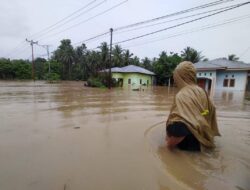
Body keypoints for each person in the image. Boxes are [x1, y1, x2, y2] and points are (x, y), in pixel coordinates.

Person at [166, 61, 220, 151]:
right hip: (204, 140)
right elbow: (210, 111)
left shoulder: (182, 95)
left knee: (173, 122)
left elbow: (179, 127)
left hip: (188, 146)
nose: (175, 81)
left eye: (175, 77)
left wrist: (168, 147)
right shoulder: (203, 92)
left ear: (181, 77)